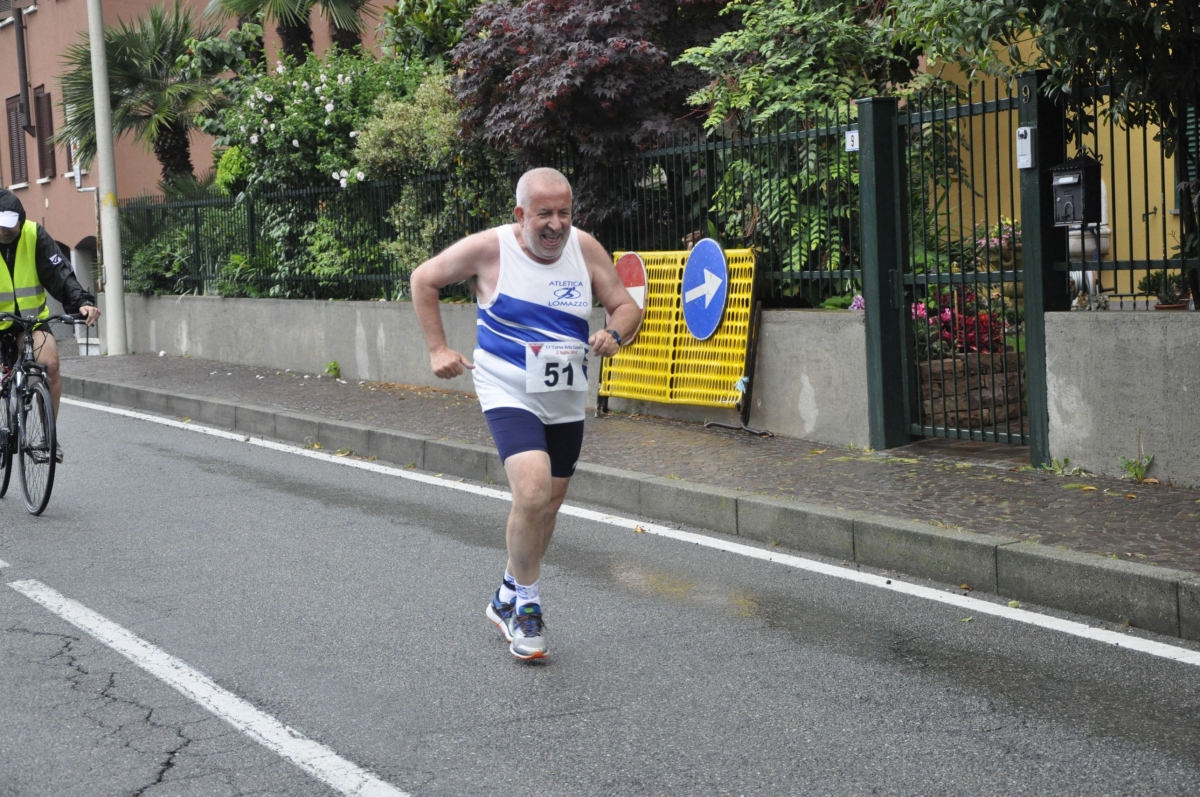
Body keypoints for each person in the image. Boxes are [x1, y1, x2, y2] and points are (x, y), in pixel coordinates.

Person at [411, 168, 641, 660]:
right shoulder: (490, 249)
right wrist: (437, 349)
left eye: (565, 213)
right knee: (532, 492)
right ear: (520, 214)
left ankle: (504, 596)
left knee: (548, 506)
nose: (556, 224)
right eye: (544, 214)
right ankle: (527, 609)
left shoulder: (585, 249)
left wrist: (614, 334)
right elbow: (424, 279)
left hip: (565, 395)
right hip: (507, 387)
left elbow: (625, 306)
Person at [0, 189, 101, 461]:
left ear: (20, 219)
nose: (3, 231)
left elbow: (60, 274)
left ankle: (48, 437)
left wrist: (82, 302)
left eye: (9, 225)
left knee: (51, 365)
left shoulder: (34, 235)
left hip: (29, 323)